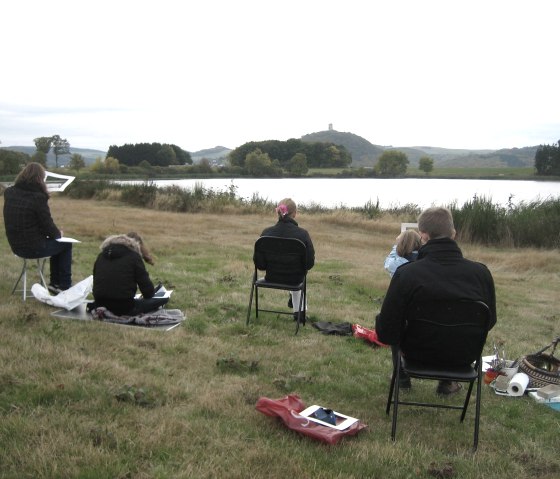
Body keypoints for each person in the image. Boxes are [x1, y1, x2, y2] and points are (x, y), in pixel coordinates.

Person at [375, 206, 497, 395]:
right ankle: (447, 383)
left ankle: (401, 377)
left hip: (416, 354)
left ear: (423, 235)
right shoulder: (481, 274)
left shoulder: (407, 274)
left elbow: (387, 331)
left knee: (392, 319)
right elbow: (489, 322)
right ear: (453, 234)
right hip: (463, 356)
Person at [3, 162, 73, 292]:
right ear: (40, 178)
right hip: (32, 248)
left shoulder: (10, 193)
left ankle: (55, 284)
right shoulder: (38, 198)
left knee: (57, 243)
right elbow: (47, 225)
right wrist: (59, 234)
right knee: (65, 244)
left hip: (15, 246)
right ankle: (63, 286)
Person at [259, 198, 315, 322]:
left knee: (297, 272)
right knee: (299, 273)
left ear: (277, 212)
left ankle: (297, 308)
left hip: (271, 277)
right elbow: (309, 263)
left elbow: (260, 264)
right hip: (295, 279)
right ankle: (300, 314)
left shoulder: (266, 233)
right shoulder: (302, 234)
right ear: (294, 213)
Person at [89, 232, 168, 316]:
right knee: (163, 299)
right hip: (124, 307)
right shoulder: (134, 257)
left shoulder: (101, 256)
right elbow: (148, 293)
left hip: (99, 303)